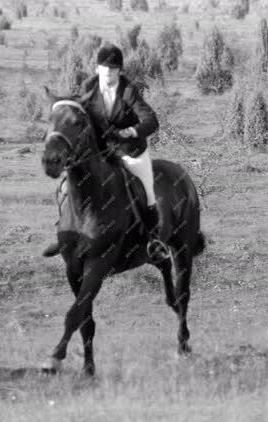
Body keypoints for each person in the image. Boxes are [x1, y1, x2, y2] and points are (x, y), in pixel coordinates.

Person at [42, 44, 169, 261]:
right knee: (65, 186)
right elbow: (76, 107)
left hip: (130, 151)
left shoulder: (129, 90)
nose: (108, 72)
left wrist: (131, 131)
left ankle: (152, 239)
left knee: (147, 192)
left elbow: (151, 120)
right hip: (99, 150)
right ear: (97, 68)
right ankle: (65, 235)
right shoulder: (88, 85)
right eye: (104, 67)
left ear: (120, 71)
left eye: (112, 68)